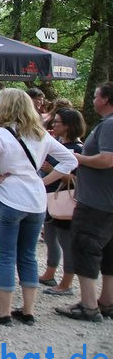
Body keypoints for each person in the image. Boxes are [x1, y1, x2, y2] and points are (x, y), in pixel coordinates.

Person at [0, 88, 78, 325]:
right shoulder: (40, 134)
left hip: (9, 197)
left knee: (5, 255)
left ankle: (4, 311)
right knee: (28, 255)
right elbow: (70, 159)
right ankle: (28, 310)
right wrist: (42, 181)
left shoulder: (1, 134)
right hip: (35, 199)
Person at [55, 82, 113, 322]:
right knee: (109, 251)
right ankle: (107, 301)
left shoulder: (109, 125)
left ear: (106, 99)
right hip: (105, 200)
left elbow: (107, 159)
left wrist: (76, 157)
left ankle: (88, 305)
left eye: (96, 96)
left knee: (85, 246)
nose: (92, 100)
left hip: (97, 201)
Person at [39, 107, 86, 296]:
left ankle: (67, 282)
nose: (54, 125)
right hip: (50, 198)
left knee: (66, 242)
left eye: (57, 122)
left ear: (68, 126)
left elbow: (77, 182)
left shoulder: (78, 150)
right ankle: (49, 273)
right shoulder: (56, 144)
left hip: (64, 200)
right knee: (50, 238)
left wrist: (52, 170)